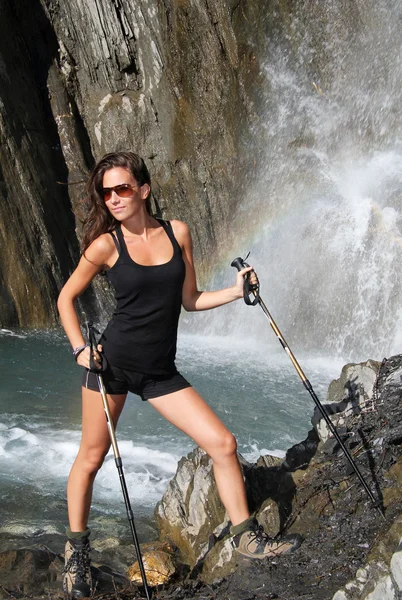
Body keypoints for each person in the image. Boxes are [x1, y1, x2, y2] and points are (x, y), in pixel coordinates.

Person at [57, 151, 301, 598]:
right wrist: (79, 349)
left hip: (158, 370)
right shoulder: (106, 246)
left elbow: (190, 299)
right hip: (110, 366)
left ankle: (246, 537)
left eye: (122, 188)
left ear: (144, 189)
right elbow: (66, 298)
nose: (113, 198)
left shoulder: (178, 232)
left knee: (223, 443)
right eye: (106, 192)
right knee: (91, 459)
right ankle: (76, 553)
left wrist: (235, 291)